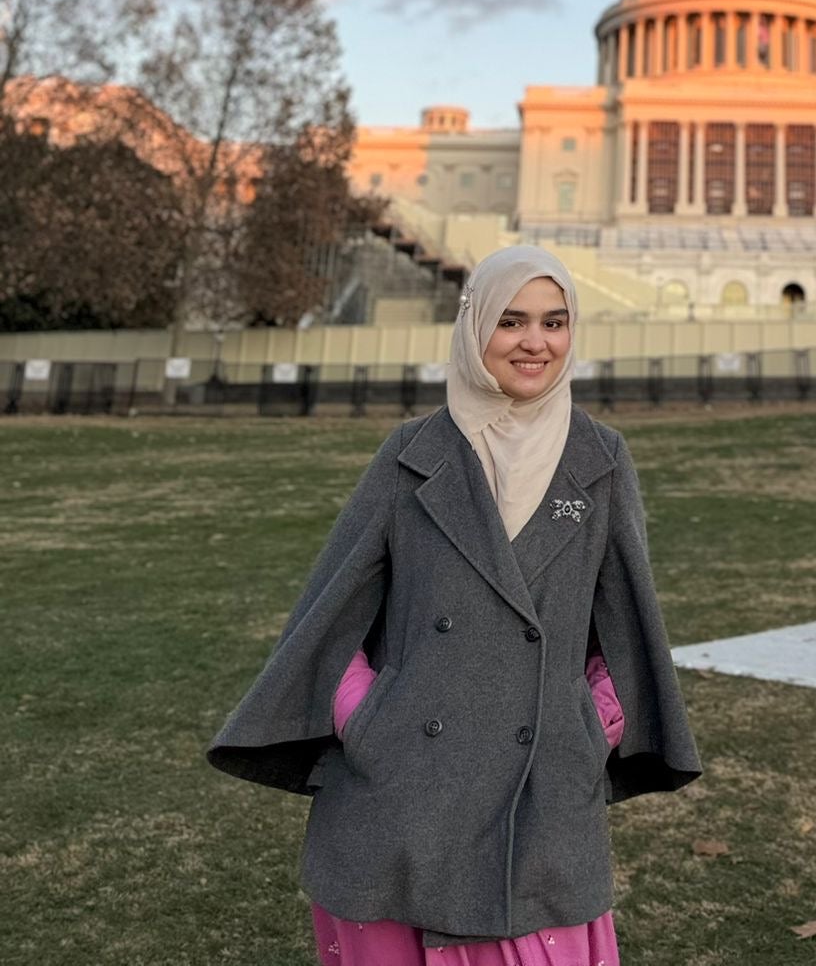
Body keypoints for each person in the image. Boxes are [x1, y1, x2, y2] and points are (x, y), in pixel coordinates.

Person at [209, 246, 701, 964]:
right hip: (399, 797)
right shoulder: (412, 453)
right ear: (474, 328)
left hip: (541, 799)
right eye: (511, 320)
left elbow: (628, 630)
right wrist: (369, 720)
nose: (535, 342)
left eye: (554, 322)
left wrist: (590, 723)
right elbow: (329, 618)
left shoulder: (601, 460)